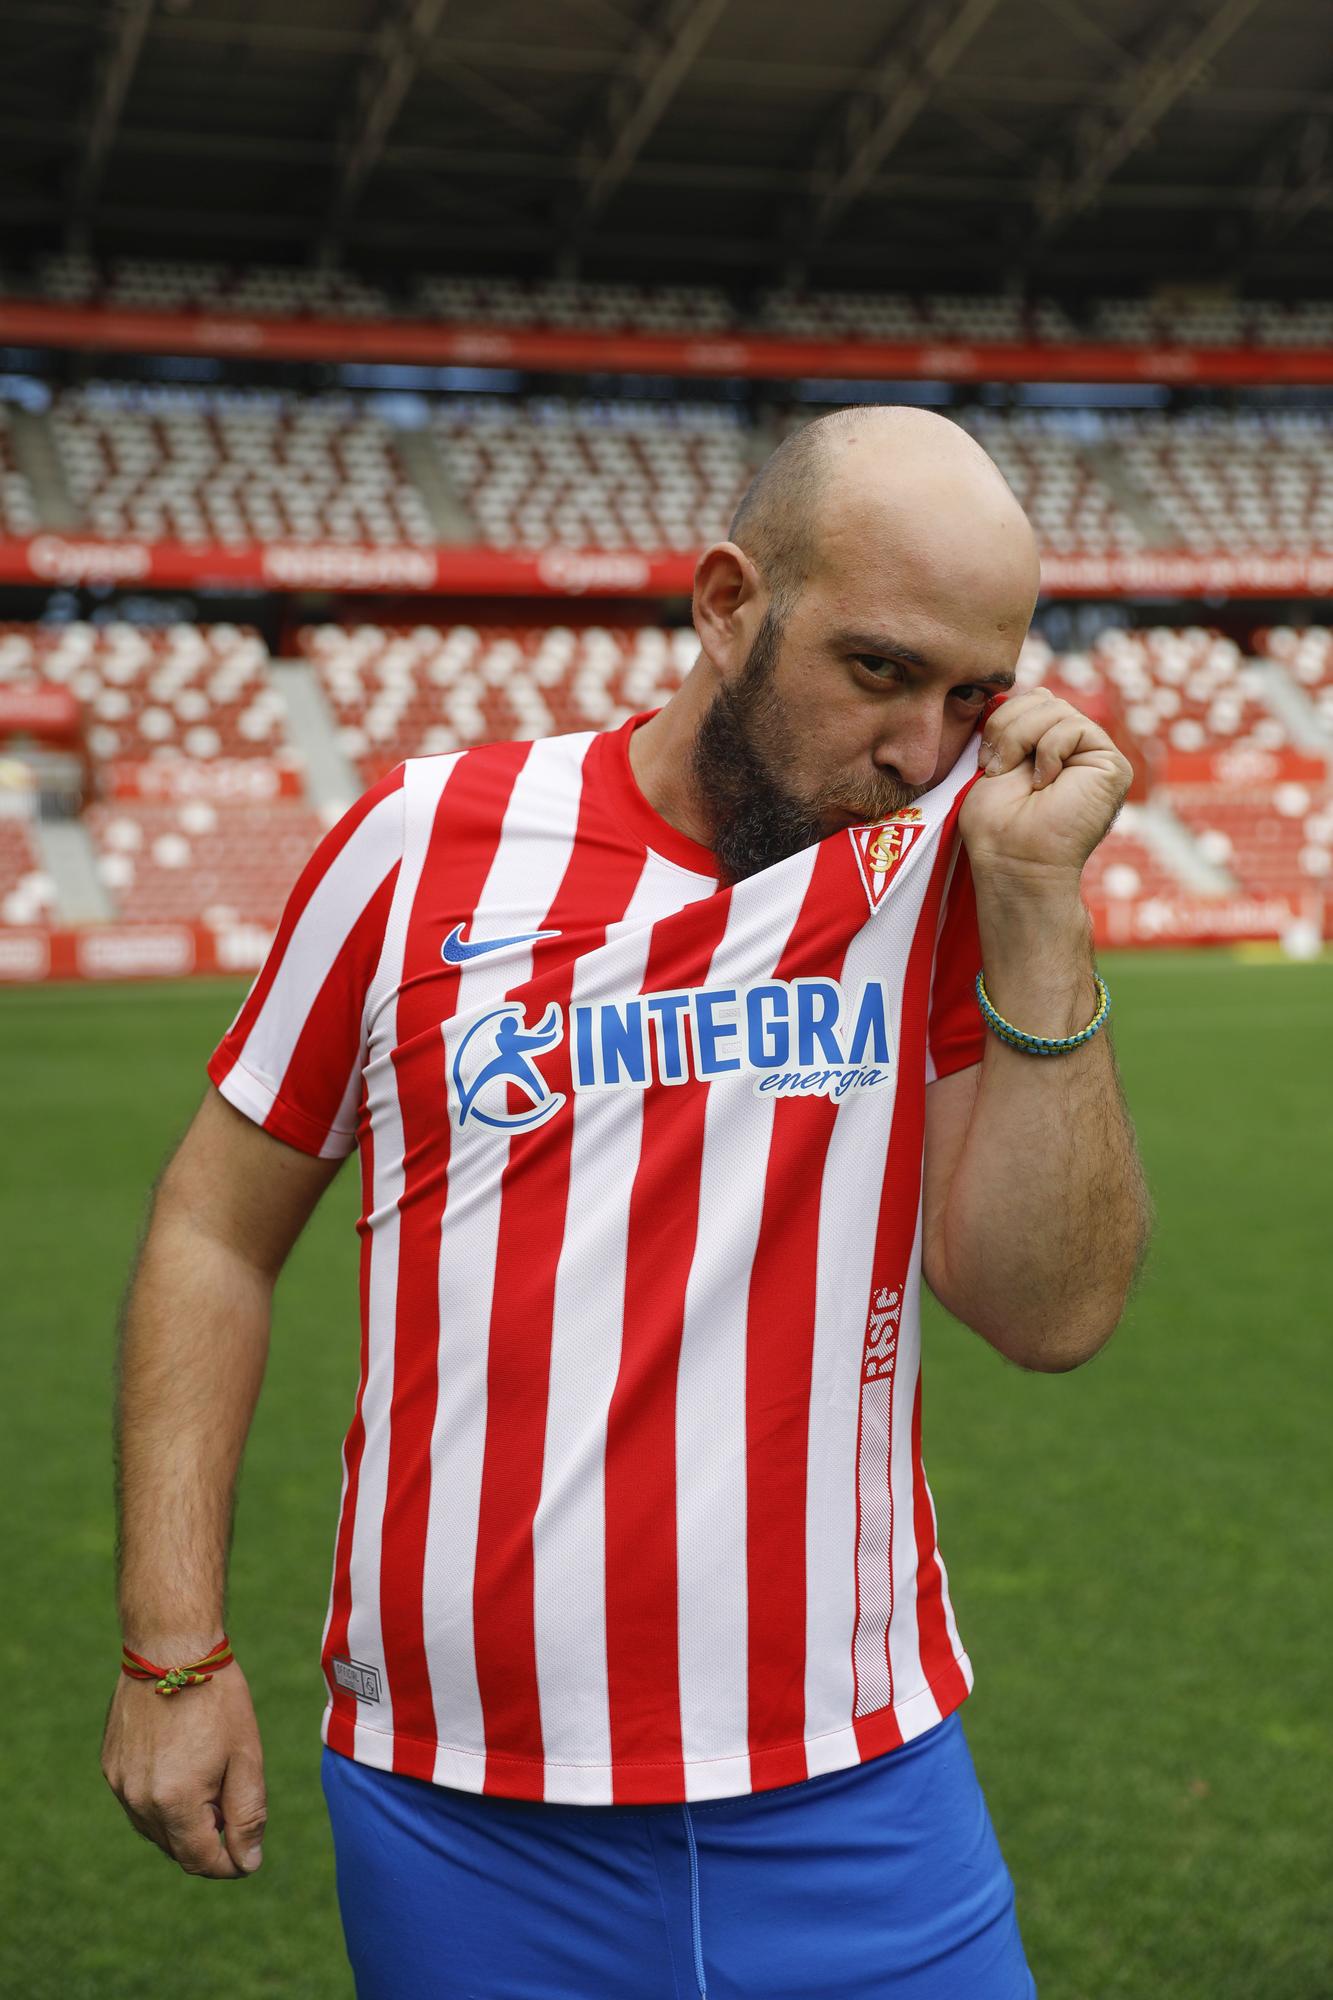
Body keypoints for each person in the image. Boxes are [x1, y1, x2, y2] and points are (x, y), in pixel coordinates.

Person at [102, 405, 1150, 1998]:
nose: (922, 750)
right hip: (457, 1804)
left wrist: (1033, 907)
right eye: (877, 671)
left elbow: (1050, 1311)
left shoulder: (944, 873)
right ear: (727, 600)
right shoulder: (416, 850)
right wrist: (171, 1648)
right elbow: (212, 1229)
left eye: (971, 696)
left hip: (856, 1781)